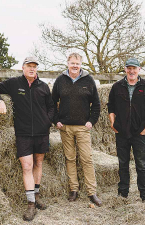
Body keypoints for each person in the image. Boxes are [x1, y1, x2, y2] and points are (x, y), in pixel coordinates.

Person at [0, 56, 54, 221]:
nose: (32, 69)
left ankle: (36, 196)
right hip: (23, 133)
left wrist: (47, 121)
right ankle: (31, 204)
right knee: (27, 166)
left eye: (34, 66)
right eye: (29, 66)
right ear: (23, 67)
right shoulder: (14, 83)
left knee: (38, 163)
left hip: (41, 133)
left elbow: (52, 107)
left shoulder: (43, 87)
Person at [107, 58, 145, 209]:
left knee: (141, 165)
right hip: (121, 132)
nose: (131, 71)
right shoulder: (117, 87)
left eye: (134, 68)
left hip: (139, 133)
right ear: (125, 69)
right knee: (123, 164)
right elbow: (110, 106)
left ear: (139, 70)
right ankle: (123, 194)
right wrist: (112, 123)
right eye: (129, 68)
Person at [52, 53, 102, 206]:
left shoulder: (88, 80)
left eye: (77, 63)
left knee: (87, 159)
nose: (75, 66)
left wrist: (91, 121)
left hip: (82, 128)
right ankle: (73, 189)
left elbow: (97, 105)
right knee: (70, 159)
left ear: (81, 64)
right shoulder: (60, 80)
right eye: (72, 63)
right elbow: (52, 103)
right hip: (65, 127)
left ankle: (91, 192)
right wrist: (56, 120)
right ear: (67, 63)